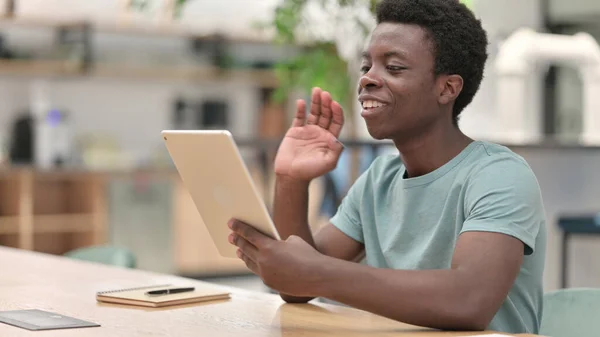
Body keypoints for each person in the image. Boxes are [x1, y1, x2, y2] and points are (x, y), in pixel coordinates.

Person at [227, 0, 547, 334]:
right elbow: (297, 284)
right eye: (367, 66)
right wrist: (291, 180)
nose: (367, 79)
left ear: (447, 88)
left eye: (393, 68)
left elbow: (468, 300)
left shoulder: (499, 175)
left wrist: (317, 271)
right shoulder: (379, 180)